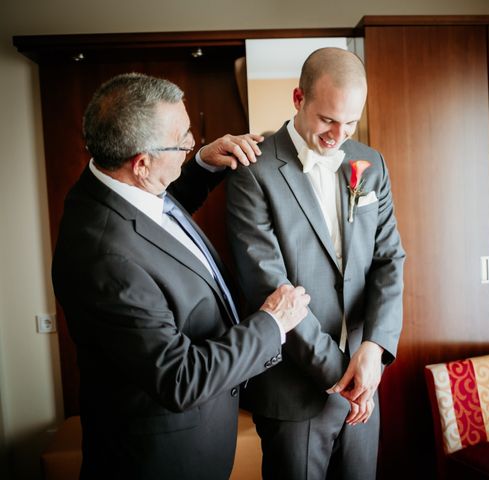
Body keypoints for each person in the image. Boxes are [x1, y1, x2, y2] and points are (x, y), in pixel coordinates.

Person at [51, 72, 311, 480]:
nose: (192, 143)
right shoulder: (103, 258)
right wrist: (272, 324)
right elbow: (180, 377)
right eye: (183, 138)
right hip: (160, 461)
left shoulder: (109, 185)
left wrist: (203, 164)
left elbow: (158, 225)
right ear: (141, 163)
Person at [226, 47, 405, 479]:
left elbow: (388, 259)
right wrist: (345, 375)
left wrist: (373, 350)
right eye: (327, 119)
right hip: (294, 392)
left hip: (364, 386)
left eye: (350, 122)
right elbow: (269, 285)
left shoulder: (371, 163)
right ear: (298, 98)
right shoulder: (254, 171)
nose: (338, 135)